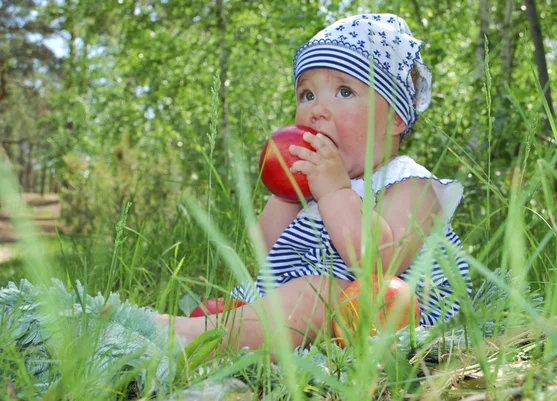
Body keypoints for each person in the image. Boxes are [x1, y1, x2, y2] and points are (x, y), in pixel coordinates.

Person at [158, 13, 471, 358]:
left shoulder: (411, 185)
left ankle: (175, 337)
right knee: (240, 302)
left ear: (395, 117)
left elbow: (379, 264)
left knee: (316, 294)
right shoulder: (313, 187)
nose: (317, 109)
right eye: (307, 94)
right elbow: (268, 255)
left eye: (344, 91)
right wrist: (287, 189)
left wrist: (336, 193)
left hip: (382, 318)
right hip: (304, 307)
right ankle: (202, 334)